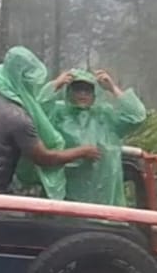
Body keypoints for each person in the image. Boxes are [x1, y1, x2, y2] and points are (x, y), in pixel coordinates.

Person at [0, 45, 100, 199]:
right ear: (22, 79)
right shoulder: (18, 118)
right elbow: (45, 159)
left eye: (87, 90)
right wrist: (82, 152)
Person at [44, 68, 148, 206]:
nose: (82, 94)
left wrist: (112, 88)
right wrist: (55, 84)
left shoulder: (105, 116)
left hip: (104, 201)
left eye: (87, 90)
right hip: (65, 200)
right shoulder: (58, 114)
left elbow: (137, 117)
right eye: (77, 89)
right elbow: (35, 114)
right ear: (68, 91)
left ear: (94, 95)